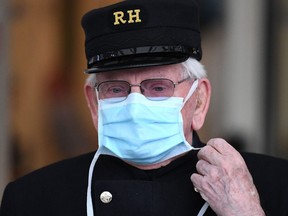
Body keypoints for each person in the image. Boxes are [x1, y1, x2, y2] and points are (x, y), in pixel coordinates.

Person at [1, 0, 288, 215]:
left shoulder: (273, 186)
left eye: (158, 87)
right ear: (93, 102)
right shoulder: (32, 199)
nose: (134, 104)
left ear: (199, 100)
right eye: (116, 89)